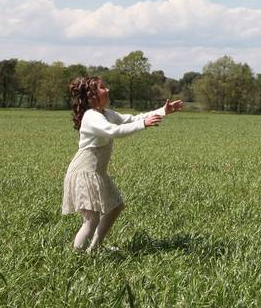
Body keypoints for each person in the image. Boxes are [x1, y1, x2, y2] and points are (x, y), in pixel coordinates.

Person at [61, 76, 183, 251]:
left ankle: (94, 249)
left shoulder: (107, 114)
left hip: (97, 173)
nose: (108, 90)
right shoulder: (91, 116)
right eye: (102, 87)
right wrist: (144, 124)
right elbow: (114, 131)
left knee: (115, 207)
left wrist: (162, 111)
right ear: (91, 95)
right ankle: (76, 258)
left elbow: (132, 119)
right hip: (84, 172)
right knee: (91, 220)